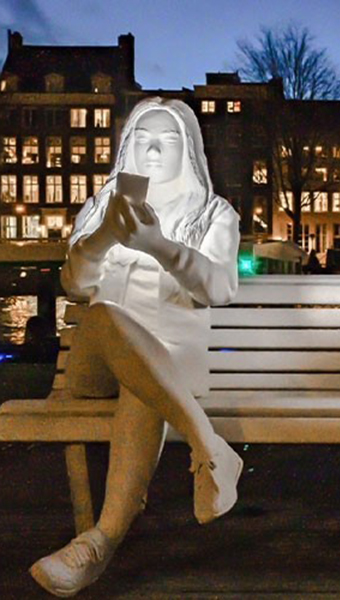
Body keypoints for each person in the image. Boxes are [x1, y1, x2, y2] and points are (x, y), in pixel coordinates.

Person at [30, 97, 243, 597]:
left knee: (143, 383)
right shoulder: (103, 206)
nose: (152, 148)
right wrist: (105, 235)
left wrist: (159, 246)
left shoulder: (214, 214)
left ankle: (97, 543)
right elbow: (76, 285)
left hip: (163, 371)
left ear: (188, 150)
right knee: (106, 314)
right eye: (142, 137)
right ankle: (208, 446)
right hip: (92, 365)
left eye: (167, 139)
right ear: (127, 147)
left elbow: (220, 288)